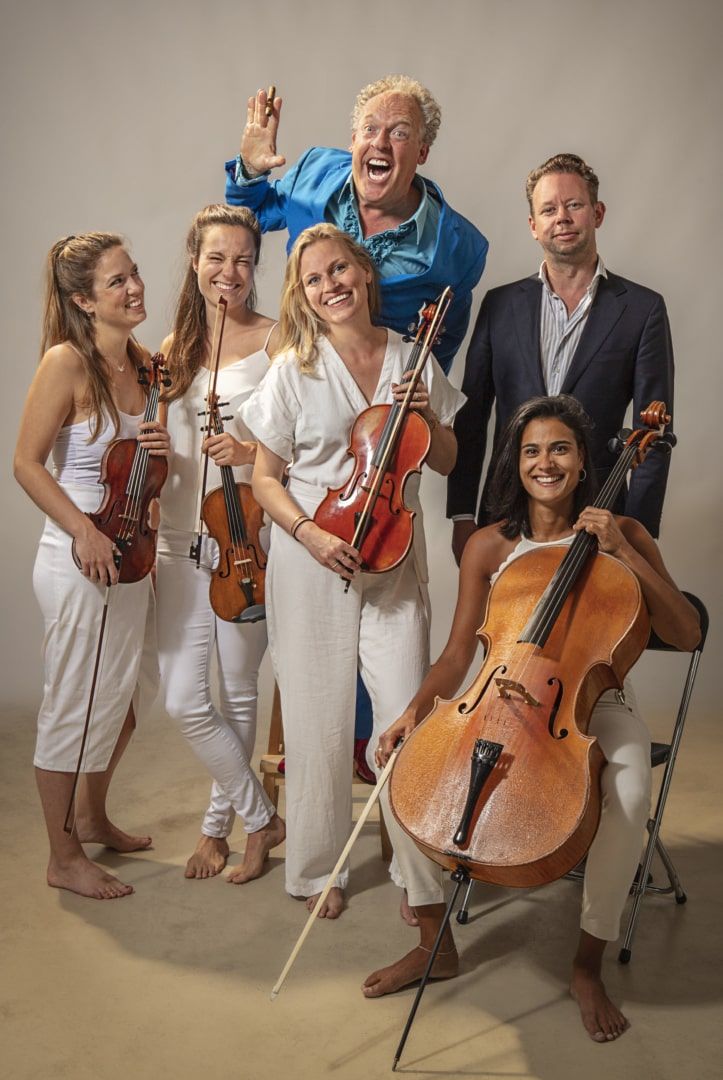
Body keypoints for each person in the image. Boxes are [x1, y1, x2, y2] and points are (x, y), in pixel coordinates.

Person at [378, 395, 699, 1033]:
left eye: (560, 448)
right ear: (515, 462)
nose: (544, 462)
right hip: (496, 696)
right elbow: (454, 656)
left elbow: (686, 633)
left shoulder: (625, 534)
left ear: (583, 462)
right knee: (397, 768)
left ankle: (587, 964)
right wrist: (411, 711)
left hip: (592, 706)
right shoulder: (489, 546)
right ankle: (433, 941)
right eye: (531, 450)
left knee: (629, 793)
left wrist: (623, 552)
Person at [242, 222, 465, 955]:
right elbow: (264, 479)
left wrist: (428, 415)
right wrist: (308, 534)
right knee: (316, 719)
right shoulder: (293, 367)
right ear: (302, 295)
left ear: (363, 273)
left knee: (406, 718)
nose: (330, 284)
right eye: (313, 279)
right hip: (313, 557)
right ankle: (312, 871)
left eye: (339, 269)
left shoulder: (412, 353)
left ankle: (416, 874)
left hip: (393, 559)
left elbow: (446, 459)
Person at [13, 233, 170, 900]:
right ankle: (62, 856)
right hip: (80, 560)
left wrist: (165, 446)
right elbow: (25, 463)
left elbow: (147, 468)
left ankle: (93, 815)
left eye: (133, 273)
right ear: (83, 299)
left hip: (129, 555)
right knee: (71, 709)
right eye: (116, 282)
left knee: (122, 705)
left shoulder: (147, 365)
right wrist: (81, 532)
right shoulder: (66, 363)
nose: (134, 287)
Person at [448, 153, 674, 566]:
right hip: (506, 512)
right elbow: (472, 417)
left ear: (597, 213)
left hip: (600, 513)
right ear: (534, 226)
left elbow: (652, 436)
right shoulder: (499, 306)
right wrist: (463, 514)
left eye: (574, 205)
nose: (562, 218)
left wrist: (634, 534)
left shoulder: (643, 310)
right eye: (549, 209)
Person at [156, 205, 285, 883]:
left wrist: (251, 448)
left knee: (236, 693)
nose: (228, 271)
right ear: (194, 260)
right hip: (179, 540)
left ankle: (223, 831)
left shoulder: (275, 341)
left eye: (241, 259)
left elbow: (304, 437)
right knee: (182, 696)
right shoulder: (172, 350)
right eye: (215, 257)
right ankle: (261, 815)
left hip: (245, 542)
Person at [224, 74, 488, 374]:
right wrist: (250, 169)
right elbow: (248, 221)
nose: (380, 142)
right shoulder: (313, 173)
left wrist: (411, 403)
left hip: (377, 397)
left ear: (422, 152)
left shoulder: (460, 249)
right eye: (370, 129)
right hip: (301, 372)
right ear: (353, 141)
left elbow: (441, 346)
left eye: (399, 133)